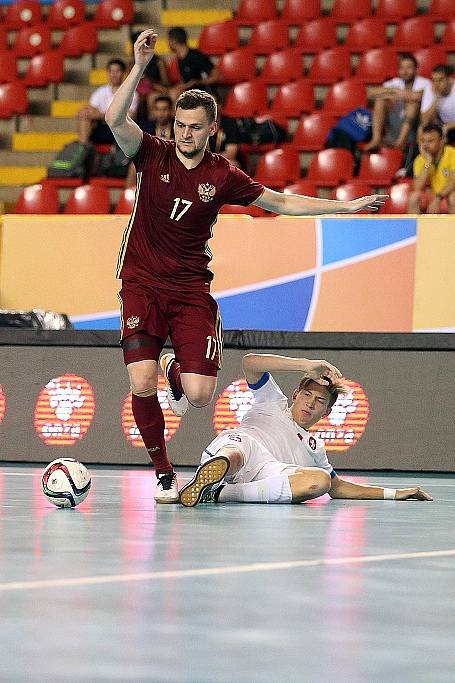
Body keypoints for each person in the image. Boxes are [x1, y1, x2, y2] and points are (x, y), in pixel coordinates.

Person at [105, 28, 387, 505]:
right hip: (141, 282)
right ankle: (164, 473)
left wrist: (345, 207)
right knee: (139, 379)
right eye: (179, 124)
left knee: (197, 394)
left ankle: (177, 369)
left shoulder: (222, 174)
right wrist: (139, 65)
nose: (184, 133)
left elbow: (279, 202)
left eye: (194, 126)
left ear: (211, 129)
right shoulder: (151, 153)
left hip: (191, 290)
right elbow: (115, 118)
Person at [179, 353, 433, 506]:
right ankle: (213, 479)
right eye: (307, 394)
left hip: (267, 472)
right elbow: (250, 362)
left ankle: (219, 493)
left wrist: (395, 493)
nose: (311, 402)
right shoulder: (272, 401)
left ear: (327, 412)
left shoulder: (314, 447)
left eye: (320, 401)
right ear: (295, 394)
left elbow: (338, 488)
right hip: (243, 445)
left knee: (319, 480)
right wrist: (304, 365)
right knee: (234, 454)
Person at [364, 53, 431, 153]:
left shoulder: (425, 82)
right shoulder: (395, 82)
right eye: (402, 68)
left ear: (416, 69)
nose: (405, 71)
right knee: (380, 101)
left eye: (409, 67)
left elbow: (416, 96)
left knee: (413, 104)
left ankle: (400, 142)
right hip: (396, 124)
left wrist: (395, 94)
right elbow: (370, 93)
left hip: (416, 127)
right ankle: (376, 139)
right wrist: (396, 91)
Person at [78, 59, 139, 145]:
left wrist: (100, 115)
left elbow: (129, 117)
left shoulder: (131, 92)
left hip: (120, 130)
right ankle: (82, 149)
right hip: (102, 127)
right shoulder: (100, 91)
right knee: (84, 117)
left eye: (117, 71)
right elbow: (88, 111)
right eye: (111, 71)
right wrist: (109, 115)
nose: (114, 74)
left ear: (124, 73)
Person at [125, 95, 175, 188]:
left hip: (172, 161)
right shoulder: (148, 127)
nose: (161, 113)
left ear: (171, 111)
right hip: (152, 160)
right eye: (158, 109)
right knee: (133, 165)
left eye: (164, 109)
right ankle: (129, 197)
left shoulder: (178, 127)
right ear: (153, 111)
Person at [408, 123, 455, 214]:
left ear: (441, 141)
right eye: (423, 141)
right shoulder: (420, 159)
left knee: (453, 198)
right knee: (414, 197)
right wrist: (428, 162)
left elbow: (453, 182)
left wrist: (438, 198)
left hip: (446, 196)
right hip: (430, 197)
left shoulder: (452, 154)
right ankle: (414, 228)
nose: (426, 145)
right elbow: (417, 187)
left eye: (430, 141)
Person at [167, 26, 220, 101]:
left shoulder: (197, 56)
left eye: (168, 40)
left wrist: (198, 82)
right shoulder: (176, 59)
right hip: (186, 91)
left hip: (202, 92)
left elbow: (217, 76)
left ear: (173, 41)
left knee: (174, 94)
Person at [420, 65, 455, 146]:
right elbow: (425, 120)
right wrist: (436, 99)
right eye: (434, 80)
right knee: (421, 129)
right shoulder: (430, 89)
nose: (436, 84)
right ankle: (422, 156)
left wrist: (448, 126)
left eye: (440, 80)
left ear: (450, 80)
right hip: (443, 127)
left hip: (449, 126)